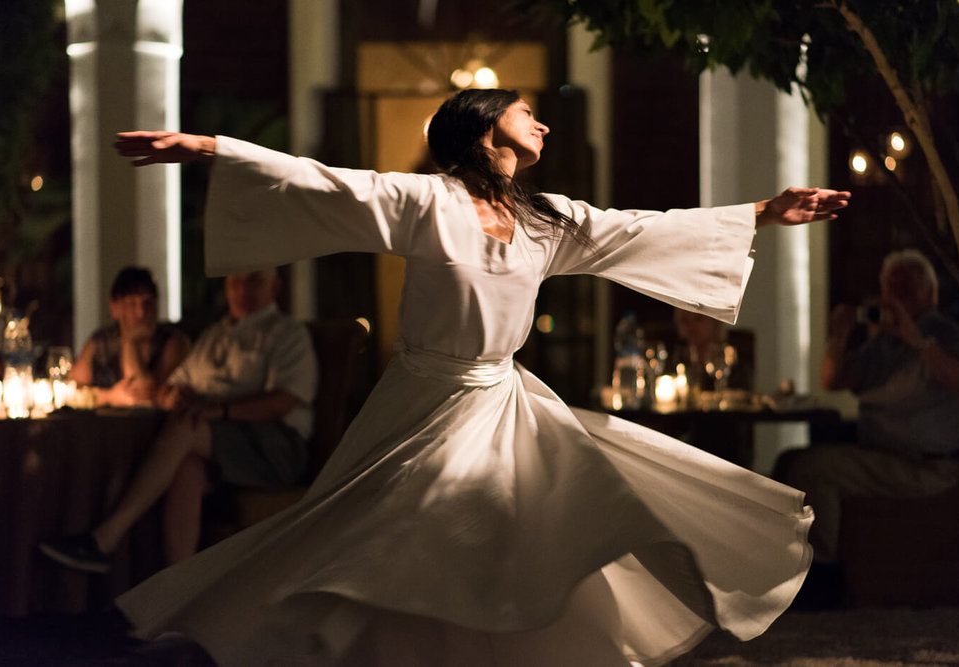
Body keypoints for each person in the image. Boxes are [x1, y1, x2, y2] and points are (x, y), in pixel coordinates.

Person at [99, 89, 848, 666]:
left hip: (503, 400)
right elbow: (329, 183)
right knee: (378, 543)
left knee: (540, 527)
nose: (545, 126)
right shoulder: (429, 202)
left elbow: (639, 228)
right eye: (529, 115)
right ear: (486, 126)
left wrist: (763, 212)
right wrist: (206, 147)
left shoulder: (546, 220)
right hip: (423, 400)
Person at [41, 269, 317, 568]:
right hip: (218, 441)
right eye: (235, 280)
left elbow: (284, 402)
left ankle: (107, 537)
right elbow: (173, 386)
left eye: (253, 281)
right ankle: (176, 582)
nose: (241, 289)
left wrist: (219, 411)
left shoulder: (288, 333)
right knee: (187, 467)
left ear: (274, 287)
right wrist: (173, 396)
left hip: (274, 445)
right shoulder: (216, 335)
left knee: (188, 426)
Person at [778, 249, 959, 570]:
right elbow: (833, 380)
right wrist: (839, 335)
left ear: (931, 293)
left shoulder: (943, 333)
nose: (898, 294)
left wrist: (918, 340)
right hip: (885, 457)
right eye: (891, 286)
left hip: (927, 467)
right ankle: (785, 560)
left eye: (908, 285)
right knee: (789, 461)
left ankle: (821, 570)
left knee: (813, 468)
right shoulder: (884, 342)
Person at [71, 266, 189, 406]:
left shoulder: (173, 342)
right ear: (114, 307)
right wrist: (109, 396)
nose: (141, 313)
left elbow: (143, 395)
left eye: (147, 303)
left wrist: (129, 342)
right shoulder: (100, 342)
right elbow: (70, 391)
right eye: (131, 304)